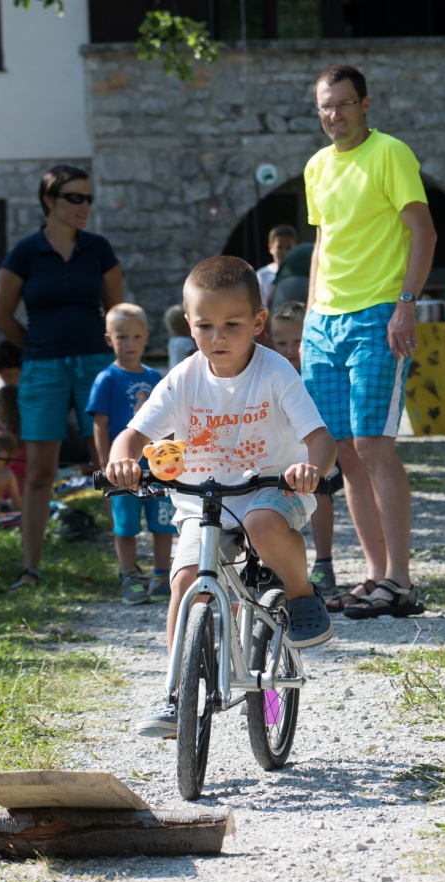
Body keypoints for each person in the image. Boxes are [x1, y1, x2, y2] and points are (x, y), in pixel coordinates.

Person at [111, 257, 335, 738]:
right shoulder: (183, 378)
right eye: (204, 325)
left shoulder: (275, 373)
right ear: (188, 325)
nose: (218, 337)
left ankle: (299, 592)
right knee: (185, 579)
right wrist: (123, 460)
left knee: (261, 524)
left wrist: (311, 468)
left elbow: (320, 437)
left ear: (258, 322)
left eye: (232, 325)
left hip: (273, 490)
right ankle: (175, 696)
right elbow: (132, 435)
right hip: (205, 501)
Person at [301, 64, 435, 619]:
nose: (335, 115)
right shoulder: (314, 166)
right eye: (326, 107)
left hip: (379, 315)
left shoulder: (391, 153)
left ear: (365, 104)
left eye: (344, 104)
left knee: (375, 446)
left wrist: (406, 303)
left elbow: (423, 231)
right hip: (323, 323)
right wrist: (308, 318)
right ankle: (377, 574)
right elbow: (322, 244)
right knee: (345, 457)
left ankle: (400, 581)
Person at [0, 164, 124, 593]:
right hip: (42, 367)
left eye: (89, 198)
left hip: (95, 365)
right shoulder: (26, 252)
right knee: (38, 472)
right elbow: (0, 315)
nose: (85, 206)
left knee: (109, 463)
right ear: (49, 200)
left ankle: (130, 568)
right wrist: (35, 346)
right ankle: (30, 568)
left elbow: (117, 314)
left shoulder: (99, 249)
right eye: (75, 198)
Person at [88, 303, 175, 605]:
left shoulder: (155, 377)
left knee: (162, 520)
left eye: (136, 337)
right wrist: (105, 461)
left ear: (147, 337)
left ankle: (162, 575)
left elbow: (169, 417)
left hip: (157, 467)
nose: (130, 344)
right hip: (122, 470)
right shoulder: (107, 379)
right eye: (122, 337)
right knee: (124, 524)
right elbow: (100, 423)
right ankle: (130, 575)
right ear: (108, 339)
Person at [269, 300, 343, 597]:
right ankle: (274, 565)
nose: (290, 349)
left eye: (297, 341)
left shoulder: (315, 373)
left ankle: (324, 562)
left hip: (313, 451)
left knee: (320, 492)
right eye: (282, 342)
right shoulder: (272, 372)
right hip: (280, 453)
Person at [257, 224, 298, 309]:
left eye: (288, 248)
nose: (284, 252)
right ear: (271, 247)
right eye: (279, 247)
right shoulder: (262, 275)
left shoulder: (298, 275)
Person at [272, 242, 313, 311]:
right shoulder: (322, 251)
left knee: (279, 318)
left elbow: (271, 294)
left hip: (285, 285)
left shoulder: (294, 252)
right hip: (309, 284)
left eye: (288, 248)